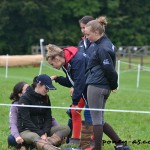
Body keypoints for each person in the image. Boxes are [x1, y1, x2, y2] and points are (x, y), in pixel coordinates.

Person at [84, 17, 131, 150]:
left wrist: (114, 84)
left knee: (96, 120)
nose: (86, 37)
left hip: (97, 86)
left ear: (97, 32)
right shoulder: (106, 43)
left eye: (88, 34)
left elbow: (109, 69)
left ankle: (97, 148)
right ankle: (120, 144)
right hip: (102, 86)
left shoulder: (102, 48)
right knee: (100, 119)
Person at [46, 44, 93, 149]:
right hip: (86, 89)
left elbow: (79, 82)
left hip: (96, 87)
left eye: (52, 64)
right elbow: (71, 82)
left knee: (90, 114)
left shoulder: (77, 60)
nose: (53, 66)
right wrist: (57, 78)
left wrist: (75, 102)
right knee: (81, 113)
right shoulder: (66, 63)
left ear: (57, 58)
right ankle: (76, 142)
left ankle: (88, 146)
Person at [17, 74, 70, 150]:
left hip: (43, 129)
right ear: (39, 85)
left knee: (66, 128)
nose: (47, 91)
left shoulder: (46, 98)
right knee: (34, 137)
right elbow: (26, 120)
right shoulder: (24, 98)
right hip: (27, 130)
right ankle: (50, 147)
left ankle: (46, 144)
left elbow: (48, 117)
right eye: (46, 88)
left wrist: (45, 132)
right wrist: (41, 133)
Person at [8, 82, 29, 150]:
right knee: (11, 138)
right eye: (27, 90)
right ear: (20, 94)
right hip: (21, 133)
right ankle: (23, 146)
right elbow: (12, 123)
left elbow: (50, 118)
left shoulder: (34, 102)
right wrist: (17, 136)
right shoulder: (15, 106)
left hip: (34, 132)